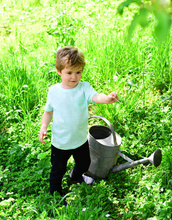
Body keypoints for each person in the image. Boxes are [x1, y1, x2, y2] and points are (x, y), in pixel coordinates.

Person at [38, 46, 119, 196]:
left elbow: (96, 97)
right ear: (59, 71)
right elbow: (48, 111)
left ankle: (75, 177)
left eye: (78, 72)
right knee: (58, 169)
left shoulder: (84, 88)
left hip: (80, 140)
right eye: (69, 72)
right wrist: (44, 126)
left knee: (84, 164)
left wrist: (107, 99)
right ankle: (55, 192)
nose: (74, 77)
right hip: (60, 143)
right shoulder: (54, 91)